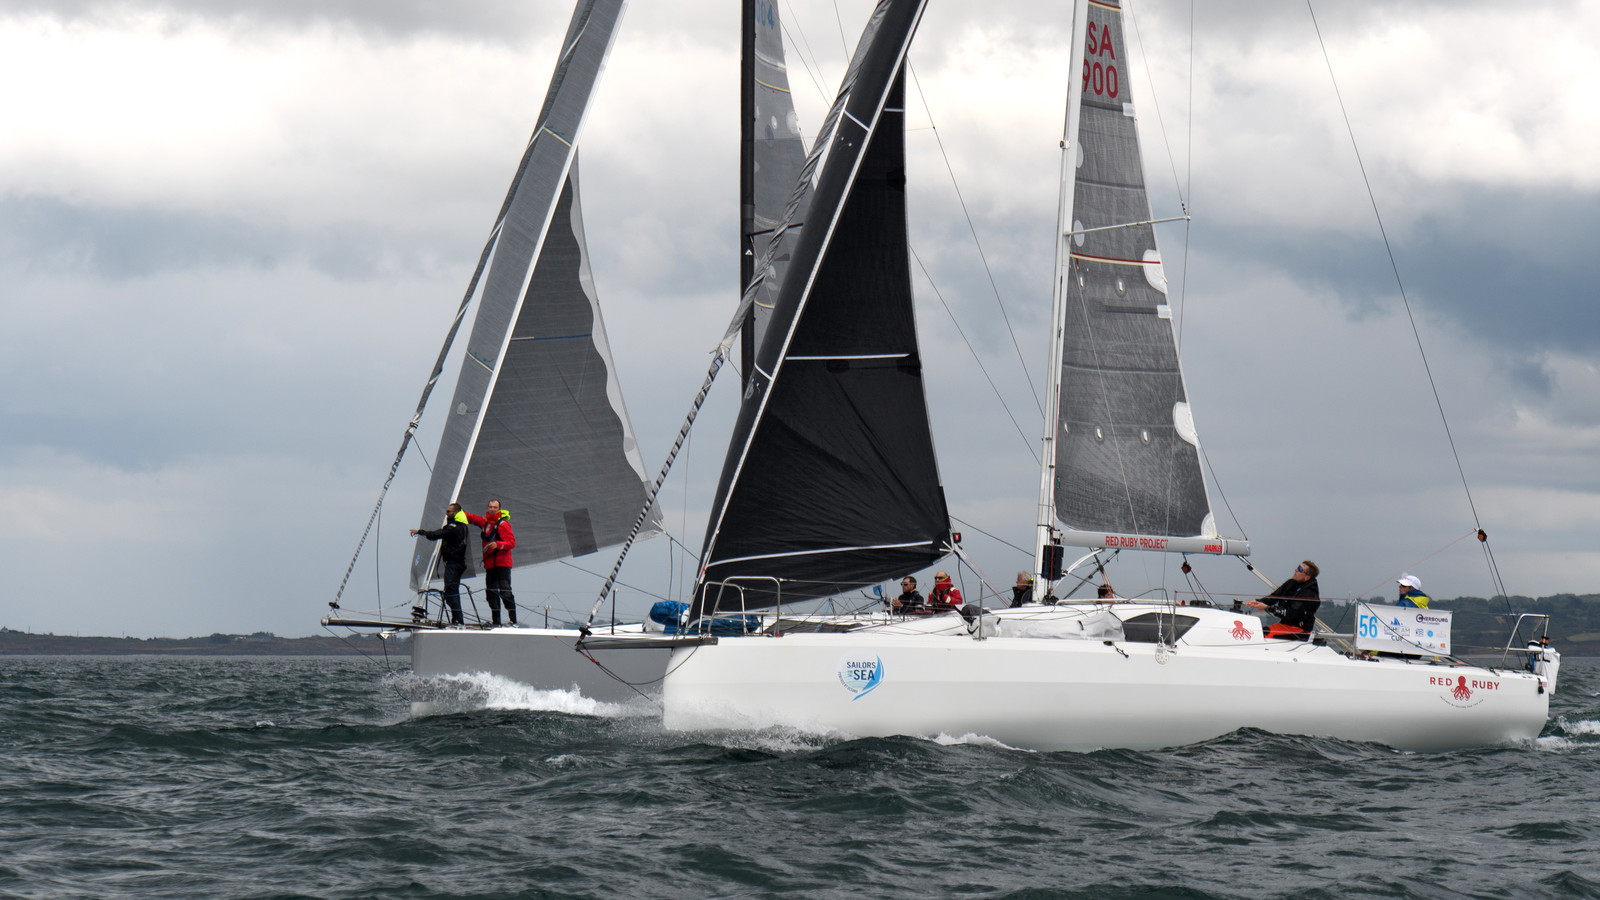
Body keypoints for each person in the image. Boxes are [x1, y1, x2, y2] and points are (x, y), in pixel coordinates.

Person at [410, 502, 469, 625]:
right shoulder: (458, 525)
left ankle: (458, 620)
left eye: (448, 512)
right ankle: (457, 619)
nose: (446, 513)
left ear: (455, 513)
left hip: (454, 564)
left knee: (451, 591)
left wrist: (421, 532)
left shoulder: (455, 527)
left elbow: (436, 535)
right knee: (450, 592)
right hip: (455, 563)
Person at [465, 499, 517, 626]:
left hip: (502, 564)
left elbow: (511, 543)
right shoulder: (485, 522)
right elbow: (472, 518)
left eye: (495, 507)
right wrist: (455, 511)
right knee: (491, 593)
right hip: (490, 564)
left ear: (499, 509)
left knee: (505, 591)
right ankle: (496, 622)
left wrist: (498, 544)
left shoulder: (503, 524)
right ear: (487, 508)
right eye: (490, 507)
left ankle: (513, 620)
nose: (492, 509)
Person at [1245, 560, 1320, 638]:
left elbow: (1290, 613)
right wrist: (1257, 602)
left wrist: (1267, 608)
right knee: (1254, 632)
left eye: (1300, 569)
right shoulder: (1291, 583)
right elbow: (1274, 597)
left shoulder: (1309, 593)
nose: (1296, 570)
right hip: (1285, 625)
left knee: (1261, 634)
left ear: (1307, 577)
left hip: (1299, 630)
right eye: (1298, 567)